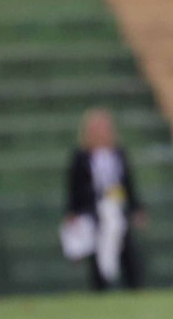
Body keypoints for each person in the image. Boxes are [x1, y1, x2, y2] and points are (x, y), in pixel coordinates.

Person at [62, 108, 145, 291]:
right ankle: (101, 286)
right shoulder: (81, 156)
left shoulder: (118, 154)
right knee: (98, 249)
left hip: (116, 206)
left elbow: (128, 184)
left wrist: (135, 208)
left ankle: (133, 285)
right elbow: (73, 187)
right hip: (93, 210)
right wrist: (71, 212)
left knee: (125, 247)